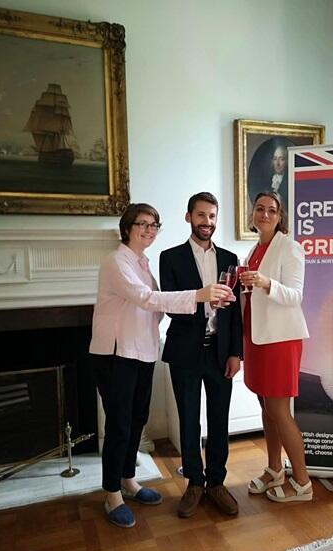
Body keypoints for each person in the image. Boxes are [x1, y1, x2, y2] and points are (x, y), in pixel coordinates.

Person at [89, 203, 233, 528]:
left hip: (142, 352)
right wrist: (199, 295)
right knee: (119, 424)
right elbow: (148, 299)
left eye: (154, 225)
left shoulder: (142, 264)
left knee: (136, 419)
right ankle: (112, 494)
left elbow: (155, 308)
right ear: (127, 227)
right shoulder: (116, 262)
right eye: (142, 224)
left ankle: (128, 480)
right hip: (115, 354)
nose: (149, 230)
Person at [159, 192, 243, 518]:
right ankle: (194, 482)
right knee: (189, 421)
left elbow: (235, 314)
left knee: (219, 421)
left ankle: (217, 483)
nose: (206, 222)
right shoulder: (170, 258)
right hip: (185, 354)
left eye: (211, 216)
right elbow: (170, 306)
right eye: (201, 215)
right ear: (188, 217)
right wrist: (205, 301)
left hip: (220, 354)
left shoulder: (230, 258)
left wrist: (236, 353)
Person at [239, 191, 312, 502]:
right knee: (265, 408)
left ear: (280, 217)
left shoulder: (290, 248)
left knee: (279, 411)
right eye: (259, 209)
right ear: (253, 214)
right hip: (257, 338)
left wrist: (265, 283)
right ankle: (273, 470)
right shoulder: (255, 249)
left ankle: (303, 483)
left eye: (271, 210)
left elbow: (296, 295)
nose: (264, 214)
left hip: (280, 340)